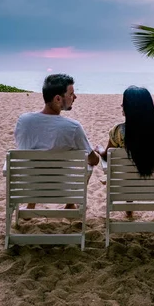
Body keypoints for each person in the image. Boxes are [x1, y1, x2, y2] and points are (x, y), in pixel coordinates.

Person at [15, 73, 99, 210]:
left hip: (28, 186)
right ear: (58, 99)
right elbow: (93, 160)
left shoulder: (23, 121)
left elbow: (23, 146)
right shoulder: (73, 127)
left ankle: (31, 205)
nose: (75, 97)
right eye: (71, 94)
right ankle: (70, 204)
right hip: (62, 188)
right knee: (89, 166)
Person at [96, 86, 154, 215]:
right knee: (140, 159)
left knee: (130, 166)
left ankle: (129, 208)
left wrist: (100, 149)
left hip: (128, 186)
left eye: (124, 103)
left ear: (128, 107)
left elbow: (107, 156)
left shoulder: (118, 131)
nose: (121, 105)